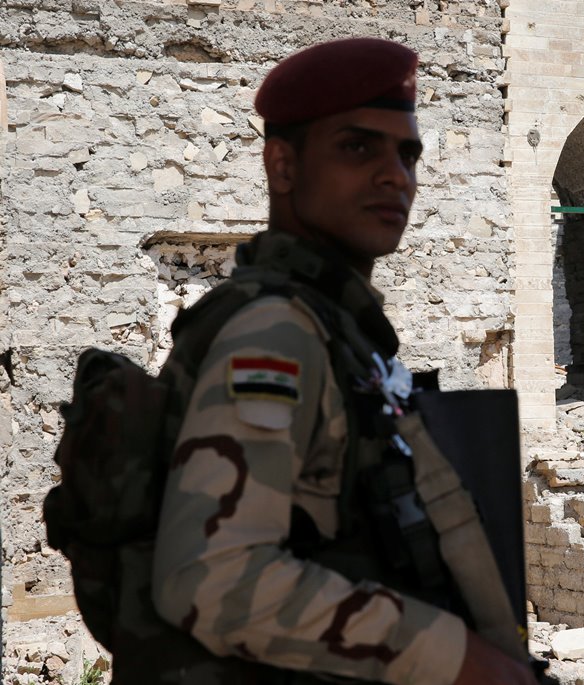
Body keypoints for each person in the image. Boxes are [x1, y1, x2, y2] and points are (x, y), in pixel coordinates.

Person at [150, 38, 537, 685]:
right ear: (282, 165)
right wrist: (451, 655)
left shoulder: (338, 328)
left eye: (407, 154)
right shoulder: (275, 333)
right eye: (358, 148)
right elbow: (212, 578)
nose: (396, 176)